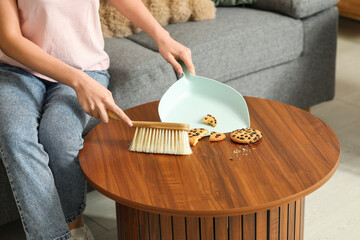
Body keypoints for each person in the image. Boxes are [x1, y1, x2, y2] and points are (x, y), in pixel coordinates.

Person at [0, 0, 195, 239]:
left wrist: (162, 36)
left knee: (58, 137)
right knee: (15, 137)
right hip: (17, 69)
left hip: (85, 67)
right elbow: (9, 39)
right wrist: (77, 82)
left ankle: (74, 225)